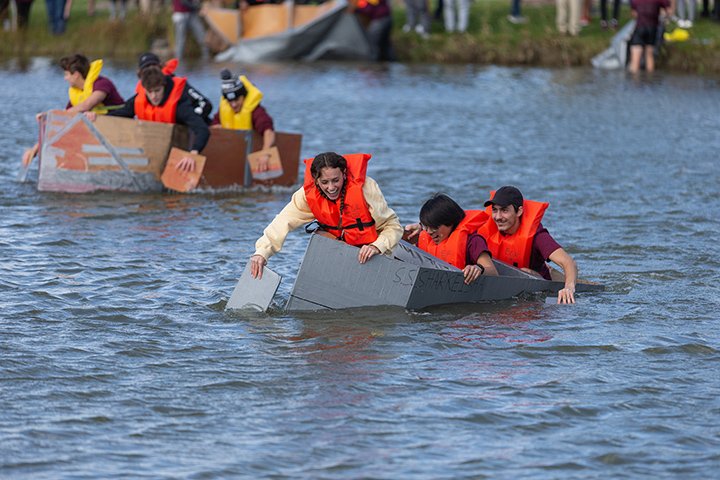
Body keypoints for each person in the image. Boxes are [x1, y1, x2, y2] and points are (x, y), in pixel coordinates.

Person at [249, 152, 403, 279]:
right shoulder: (306, 195)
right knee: (320, 235)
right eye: (325, 182)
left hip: (372, 252)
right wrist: (262, 253)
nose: (331, 188)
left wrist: (376, 246)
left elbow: (394, 226)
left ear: (344, 174)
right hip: (342, 251)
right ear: (316, 180)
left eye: (336, 180)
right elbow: (282, 221)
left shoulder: (366, 188)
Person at [478, 186, 578, 304]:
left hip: (537, 287)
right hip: (502, 283)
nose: (498, 217)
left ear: (519, 211)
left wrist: (569, 288)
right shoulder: (483, 231)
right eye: (494, 210)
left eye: (504, 210)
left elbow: (569, 262)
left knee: (526, 272)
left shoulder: (537, 236)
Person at [102, 64, 211, 172]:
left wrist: (193, 153)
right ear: (144, 89)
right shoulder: (138, 100)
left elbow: (202, 129)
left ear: (163, 86)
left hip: (181, 142)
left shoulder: (179, 106)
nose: (154, 96)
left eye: (157, 90)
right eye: (150, 92)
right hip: (156, 147)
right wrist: (96, 117)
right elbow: (120, 113)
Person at [22, 53, 124, 167]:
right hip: (101, 136)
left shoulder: (102, 84)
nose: (65, 78)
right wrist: (34, 151)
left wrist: (50, 114)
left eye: (66, 74)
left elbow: (87, 105)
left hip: (121, 131)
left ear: (75, 75)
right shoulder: (77, 93)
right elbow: (61, 120)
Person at [404, 193, 498, 285]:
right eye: (426, 227)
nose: (429, 232)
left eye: (434, 227)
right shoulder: (426, 238)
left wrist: (478, 268)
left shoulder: (473, 241)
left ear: (450, 221)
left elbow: (493, 272)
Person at [211, 69, 275, 173]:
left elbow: (268, 131)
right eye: (230, 101)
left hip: (252, 159)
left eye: (237, 100)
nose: (234, 105)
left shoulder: (256, 111)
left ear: (243, 96)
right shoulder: (224, 110)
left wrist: (265, 152)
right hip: (232, 157)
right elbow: (214, 125)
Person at [135, 52, 212, 124]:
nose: (150, 71)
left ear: (160, 67)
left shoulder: (176, 85)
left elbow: (205, 104)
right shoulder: (141, 92)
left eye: (153, 67)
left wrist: (189, 120)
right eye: (146, 68)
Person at [628, 0, 672, 73]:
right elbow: (668, 10)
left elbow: (634, 13)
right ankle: (650, 79)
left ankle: (634, 80)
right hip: (653, 28)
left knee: (635, 55)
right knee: (649, 55)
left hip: (640, 26)